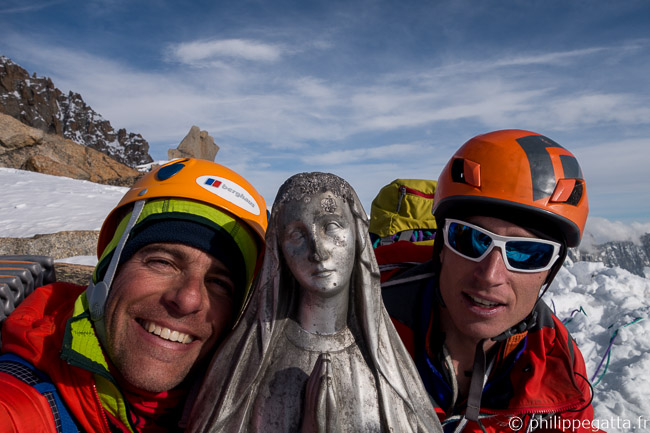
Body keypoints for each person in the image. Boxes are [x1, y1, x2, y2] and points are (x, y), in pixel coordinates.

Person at [0, 158, 267, 433]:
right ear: (108, 271)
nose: (188, 300)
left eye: (219, 283)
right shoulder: (18, 410)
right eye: (162, 262)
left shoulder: (241, 414)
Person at [187, 172, 441, 433]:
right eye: (297, 234)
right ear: (280, 251)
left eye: (330, 227)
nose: (318, 252)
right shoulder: (242, 367)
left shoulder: (389, 366)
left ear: (358, 235)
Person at [381, 130, 598, 432]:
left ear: (550, 270)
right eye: (469, 239)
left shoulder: (557, 366)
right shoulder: (357, 321)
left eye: (528, 252)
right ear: (442, 247)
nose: (490, 275)